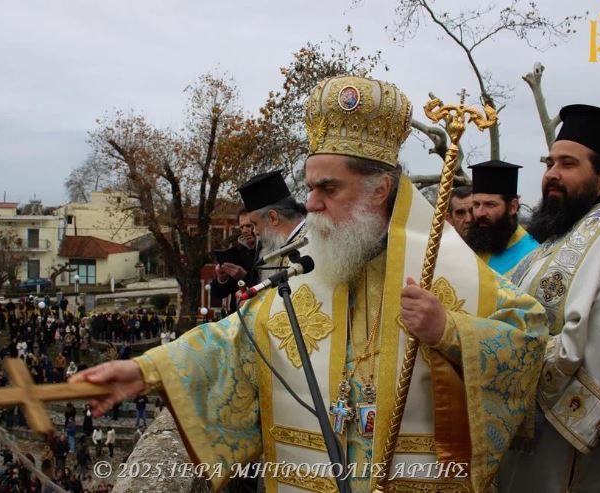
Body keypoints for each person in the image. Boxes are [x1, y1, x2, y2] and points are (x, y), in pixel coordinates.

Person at [71, 75, 547, 492]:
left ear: (379, 191)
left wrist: (449, 329)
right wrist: (144, 371)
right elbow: (238, 340)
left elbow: (527, 339)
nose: (311, 204)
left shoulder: (445, 270)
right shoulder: (315, 268)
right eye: (310, 187)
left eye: (328, 188)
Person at [498, 104, 600, 492]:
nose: (551, 174)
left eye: (568, 164)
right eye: (550, 163)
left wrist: (501, 356)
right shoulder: (554, 239)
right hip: (523, 431)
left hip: (567, 447)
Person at [465, 160, 538, 274]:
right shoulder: (472, 246)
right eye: (476, 204)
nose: (480, 213)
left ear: (513, 207)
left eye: (490, 204)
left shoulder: (532, 257)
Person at [237, 170, 307, 267]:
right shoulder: (289, 246)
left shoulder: (309, 247)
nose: (255, 232)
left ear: (273, 218)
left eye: (256, 224)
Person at [209, 208, 259, 313]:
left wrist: (244, 276)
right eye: (242, 227)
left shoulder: (269, 250)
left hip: (261, 312)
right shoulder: (235, 253)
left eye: (249, 225)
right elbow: (218, 294)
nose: (245, 230)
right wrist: (221, 278)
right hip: (237, 315)